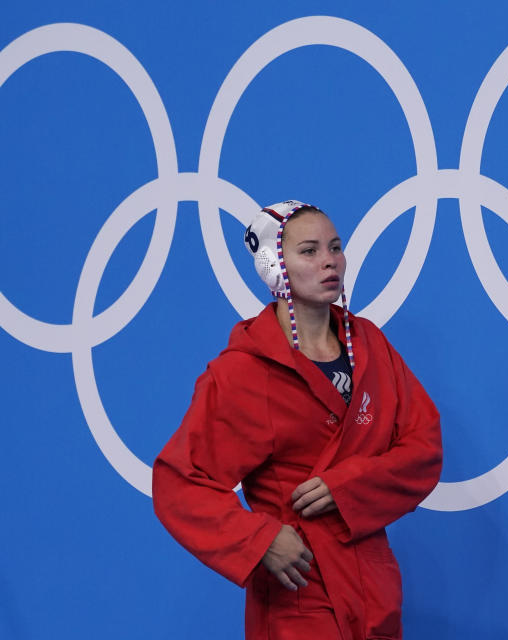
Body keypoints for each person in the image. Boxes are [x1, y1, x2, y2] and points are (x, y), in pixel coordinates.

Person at [153, 200, 442, 640]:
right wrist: (258, 538)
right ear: (274, 266)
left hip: (373, 586)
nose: (329, 261)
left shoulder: (371, 345)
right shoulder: (242, 371)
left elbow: (424, 448)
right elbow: (180, 481)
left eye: (335, 247)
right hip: (299, 589)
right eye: (309, 251)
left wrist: (347, 486)